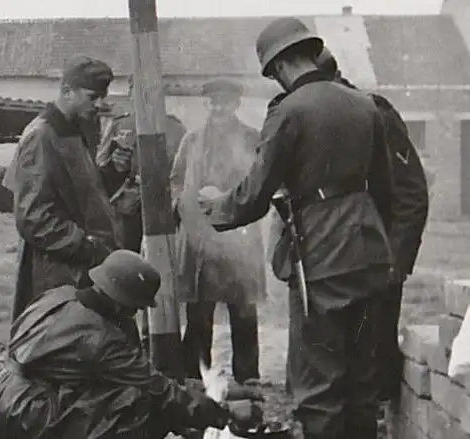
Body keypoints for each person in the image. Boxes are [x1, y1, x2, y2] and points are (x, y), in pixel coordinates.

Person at [198, 18, 393, 439]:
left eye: (273, 74)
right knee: (361, 380)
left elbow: (253, 195)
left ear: (280, 66)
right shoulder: (363, 104)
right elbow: (386, 190)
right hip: (369, 253)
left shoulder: (289, 110)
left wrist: (213, 208)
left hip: (321, 260)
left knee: (317, 384)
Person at [0, 249, 263, 439]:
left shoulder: (59, 295)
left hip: (2, 393)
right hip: (27, 412)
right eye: (135, 307)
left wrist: (218, 388)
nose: (134, 314)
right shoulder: (103, 339)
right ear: (121, 303)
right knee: (138, 408)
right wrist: (224, 412)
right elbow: (161, 392)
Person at [315, 47, 430, 402]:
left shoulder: (375, 114)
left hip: (377, 260)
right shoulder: (326, 118)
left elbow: (412, 195)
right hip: (337, 260)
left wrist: (396, 262)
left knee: (374, 361)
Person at [2, 55, 134, 320]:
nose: (99, 104)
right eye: (92, 96)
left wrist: (113, 172)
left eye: (102, 97)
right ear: (66, 91)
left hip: (82, 268)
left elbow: (82, 193)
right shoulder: (41, 136)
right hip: (59, 273)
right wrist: (87, 245)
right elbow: (33, 218)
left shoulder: (74, 129)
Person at [170, 78, 267, 385]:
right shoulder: (192, 140)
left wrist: (225, 198)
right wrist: (184, 203)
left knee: (243, 312)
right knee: (198, 313)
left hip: (238, 237)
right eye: (213, 102)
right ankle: (196, 380)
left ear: (236, 104)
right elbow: (175, 180)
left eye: (225, 101)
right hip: (200, 237)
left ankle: (247, 381)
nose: (218, 108)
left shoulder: (252, 139)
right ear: (206, 104)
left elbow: (260, 184)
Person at [96, 76, 187, 253]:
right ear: (131, 94)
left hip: (162, 206)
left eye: (150, 93)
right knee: (126, 256)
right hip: (126, 208)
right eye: (137, 93)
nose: (145, 99)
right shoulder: (119, 124)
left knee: (160, 256)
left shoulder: (174, 127)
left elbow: (183, 171)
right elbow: (101, 166)